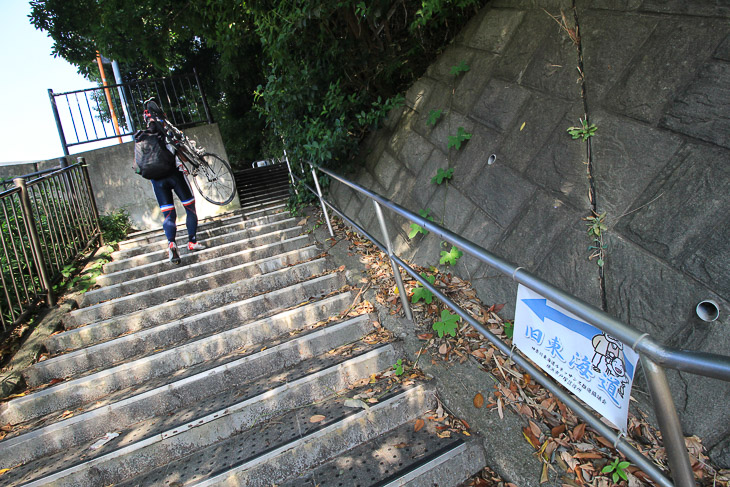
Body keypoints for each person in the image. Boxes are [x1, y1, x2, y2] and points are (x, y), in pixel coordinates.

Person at [144, 110, 206, 264]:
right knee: (190, 208)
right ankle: (192, 242)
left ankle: (172, 243)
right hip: (175, 175)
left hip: (157, 181)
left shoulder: (143, 138)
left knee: (169, 215)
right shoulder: (167, 134)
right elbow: (184, 155)